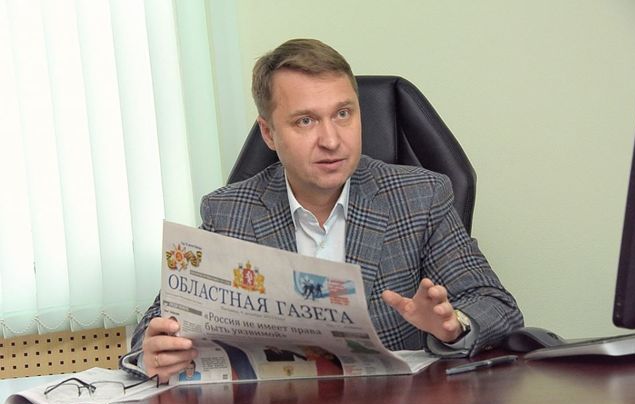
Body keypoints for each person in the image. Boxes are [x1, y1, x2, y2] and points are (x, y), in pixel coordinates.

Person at [120, 38, 523, 383]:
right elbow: (157, 323)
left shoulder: (420, 197)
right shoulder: (229, 212)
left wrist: (453, 326)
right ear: (269, 133)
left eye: (343, 114)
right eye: (305, 121)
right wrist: (152, 350)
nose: (331, 140)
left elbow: (496, 304)